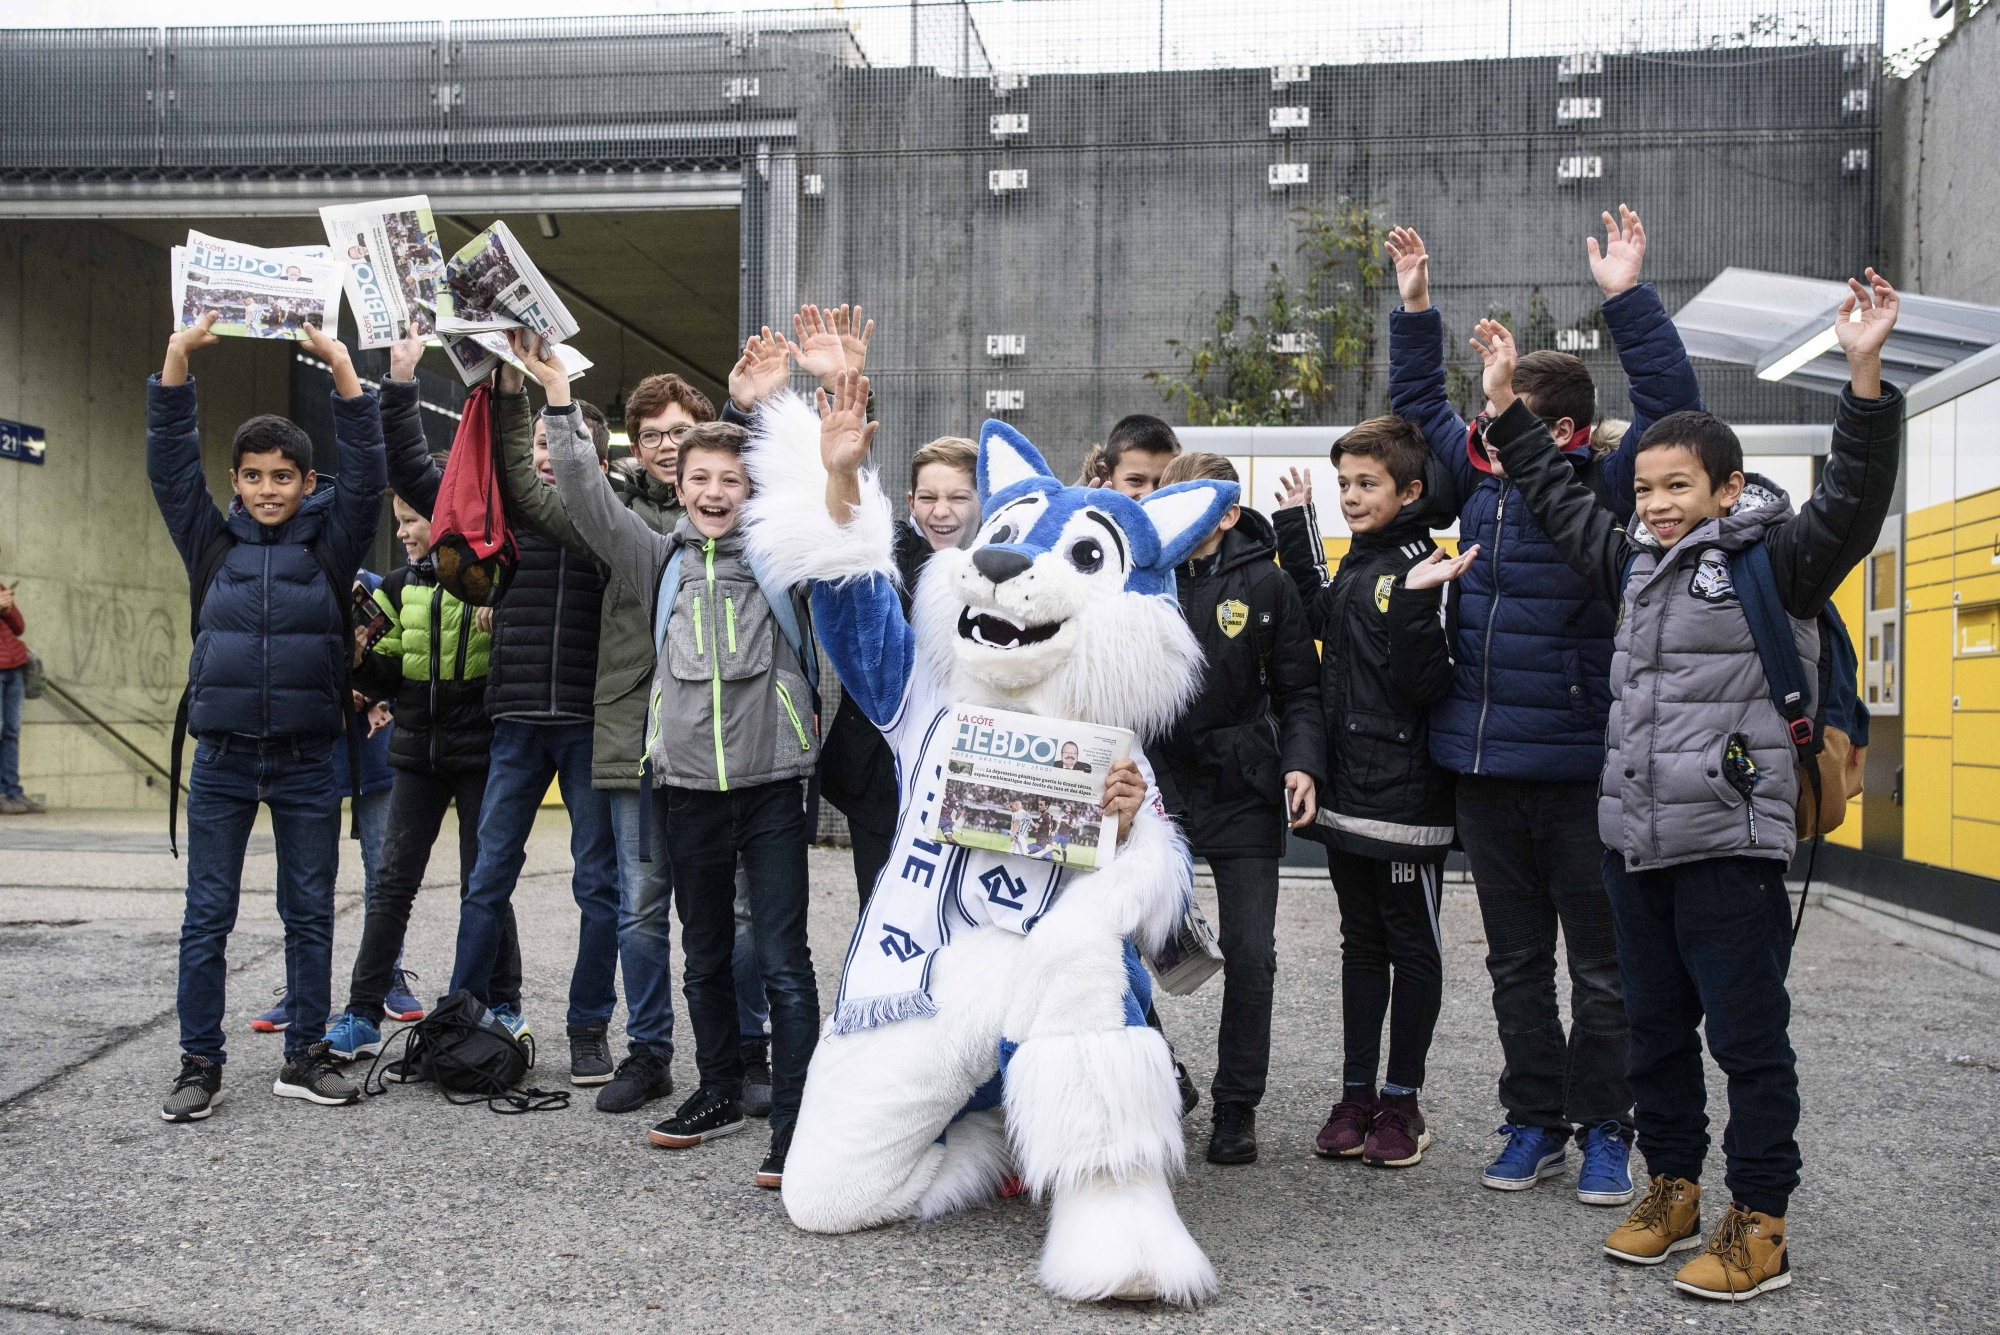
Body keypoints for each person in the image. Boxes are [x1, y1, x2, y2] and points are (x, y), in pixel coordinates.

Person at [1474, 271, 1903, 1302]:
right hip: (1634, 841)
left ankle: (1757, 1219)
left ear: (1723, 487)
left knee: (1746, 1038)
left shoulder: (1777, 561)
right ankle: (1670, 1187)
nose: (1656, 505)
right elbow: (1553, 496)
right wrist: (1500, 406)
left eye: (1676, 486)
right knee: (1656, 1032)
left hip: (1731, 842)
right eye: (1645, 489)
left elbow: (1850, 497)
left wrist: (1861, 373)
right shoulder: (1627, 561)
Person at [1384, 207, 1702, 1204]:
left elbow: (1670, 401)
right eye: (1487, 412)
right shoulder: (1471, 486)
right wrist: (1415, 310)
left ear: (1557, 428)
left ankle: (1605, 1127)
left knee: (1602, 973)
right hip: (1482, 771)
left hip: (1577, 771)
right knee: (1515, 968)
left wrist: (1624, 298)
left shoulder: (1605, 490)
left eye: (1506, 409)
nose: (1486, 425)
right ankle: (1532, 1122)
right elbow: (1410, 408)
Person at [531, 334, 822, 1192]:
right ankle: (719, 1091)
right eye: (699, 479)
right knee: (700, 954)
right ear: (678, 488)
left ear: (751, 488)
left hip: (772, 785)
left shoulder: (782, 556)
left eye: (731, 479)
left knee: (781, 957)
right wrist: (555, 390)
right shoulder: (653, 559)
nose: (715, 491)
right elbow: (585, 494)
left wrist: (766, 408)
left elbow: (814, 487)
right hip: (685, 785)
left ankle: (796, 1120)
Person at [148, 312, 385, 1121]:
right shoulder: (210, 545)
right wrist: (177, 360)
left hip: (308, 759)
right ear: (237, 481)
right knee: (207, 914)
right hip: (220, 759)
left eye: (283, 476)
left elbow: (369, 467)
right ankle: (198, 1063)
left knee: (309, 911)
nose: (268, 489)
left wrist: (342, 369)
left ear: (305, 484)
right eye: (253, 475)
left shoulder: (333, 544)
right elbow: (171, 468)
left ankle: (305, 1055)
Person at [390, 359, 618, 1088]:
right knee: (487, 878)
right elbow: (422, 476)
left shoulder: (610, 530)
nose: (547, 460)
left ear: (595, 459)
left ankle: (588, 1028)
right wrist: (406, 381)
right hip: (514, 723)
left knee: (598, 884)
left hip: (586, 724)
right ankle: (463, 1013)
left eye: (566, 446)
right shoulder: (505, 522)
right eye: (540, 449)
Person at [1271, 418, 1467, 1169]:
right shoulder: (1366, 561)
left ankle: (1402, 1102)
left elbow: (1427, 686)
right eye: (1345, 484)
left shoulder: (1429, 567)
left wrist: (1418, 604)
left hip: (1407, 804)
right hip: (1351, 793)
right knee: (1362, 945)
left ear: (1410, 491)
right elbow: (1328, 616)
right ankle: (1355, 1096)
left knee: (1410, 947)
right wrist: (1299, 525)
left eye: (1367, 484)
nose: (1352, 496)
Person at [321, 348, 505, 1063]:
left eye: (413, 518)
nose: (403, 530)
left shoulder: (493, 578)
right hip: (416, 753)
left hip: (482, 750)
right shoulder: (399, 586)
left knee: (484, 882)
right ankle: (363, 1012)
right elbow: (392, 675)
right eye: (397, 519)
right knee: (391, 884)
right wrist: (363, 658)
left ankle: (500, 999)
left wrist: (508, 620)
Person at [1152, 451, 1325, 1167]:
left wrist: (1300, 762)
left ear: (1227, 513)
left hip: (1243, 787)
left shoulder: (1269, 582)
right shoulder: (1142, 577)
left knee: (1250, 953)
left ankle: (1236, 1107)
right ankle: (1160, 1076)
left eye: (1198, 502)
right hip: (1157, 787)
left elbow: (1301, 692)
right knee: (1121, 943)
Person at [819, 435, 977, 908]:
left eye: (958, 497)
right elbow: (843, 528)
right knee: (885, 911)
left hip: (967, 775)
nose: (941, 511)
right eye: (928, 497)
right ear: (910, 501)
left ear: (983, 498)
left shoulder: (1005, 560)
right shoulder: (886, 551)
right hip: (879, 779)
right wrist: (842, 469)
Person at [0, 579, 42, 814]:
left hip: (14, 667)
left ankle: (13, 791)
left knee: (11, 731)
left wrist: (7, 608)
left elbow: (19, 627)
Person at [1089, 414, 1181, 498]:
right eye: (1135, 480)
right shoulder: (1079, 512)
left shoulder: (1188, 510)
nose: (1148, 495)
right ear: (1106, 475)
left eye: (1161, 483)